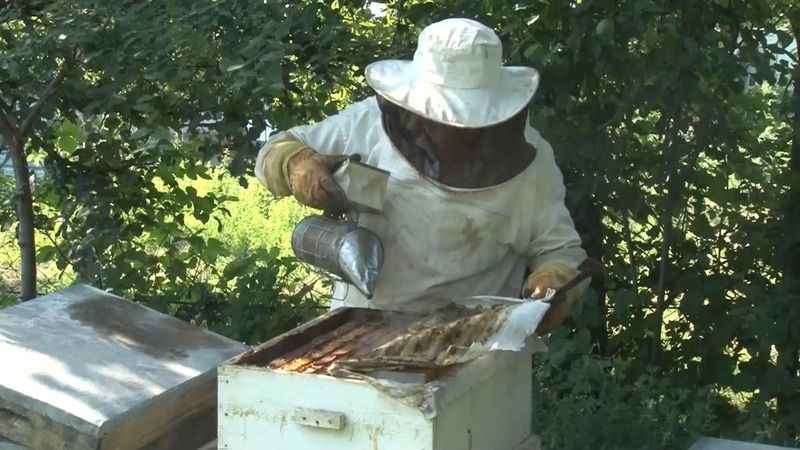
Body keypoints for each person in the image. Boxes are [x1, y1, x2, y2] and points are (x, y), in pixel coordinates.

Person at [255, 18, 589, 334]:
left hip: (475, 347)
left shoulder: (532, 161)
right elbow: (272, 151)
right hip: (360, 330)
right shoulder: (368, 123)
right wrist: (296, 163)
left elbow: (560, 249)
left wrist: (555, 281)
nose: (454, 130)